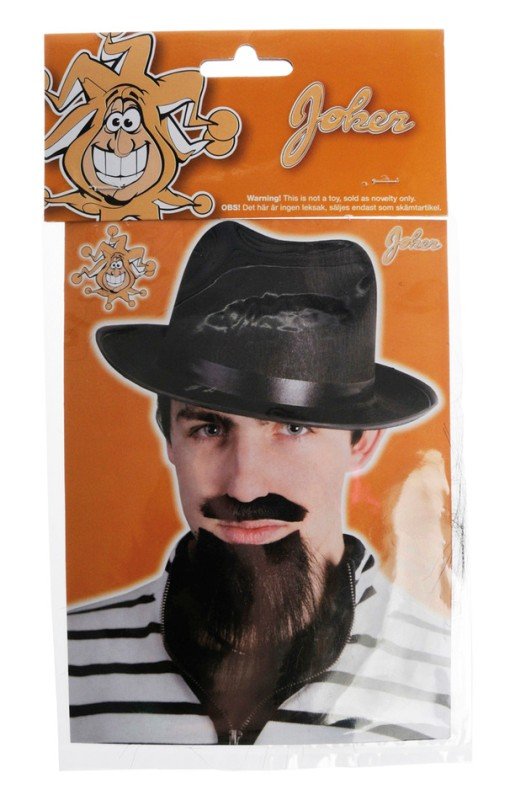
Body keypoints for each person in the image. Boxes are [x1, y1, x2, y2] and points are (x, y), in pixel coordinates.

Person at [67, 221, 450, 745]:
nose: (244, 487)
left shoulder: (450, 681)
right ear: (168, 438)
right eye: (208, 428)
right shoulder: (65, 660)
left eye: (293, 428)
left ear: (361, 443)